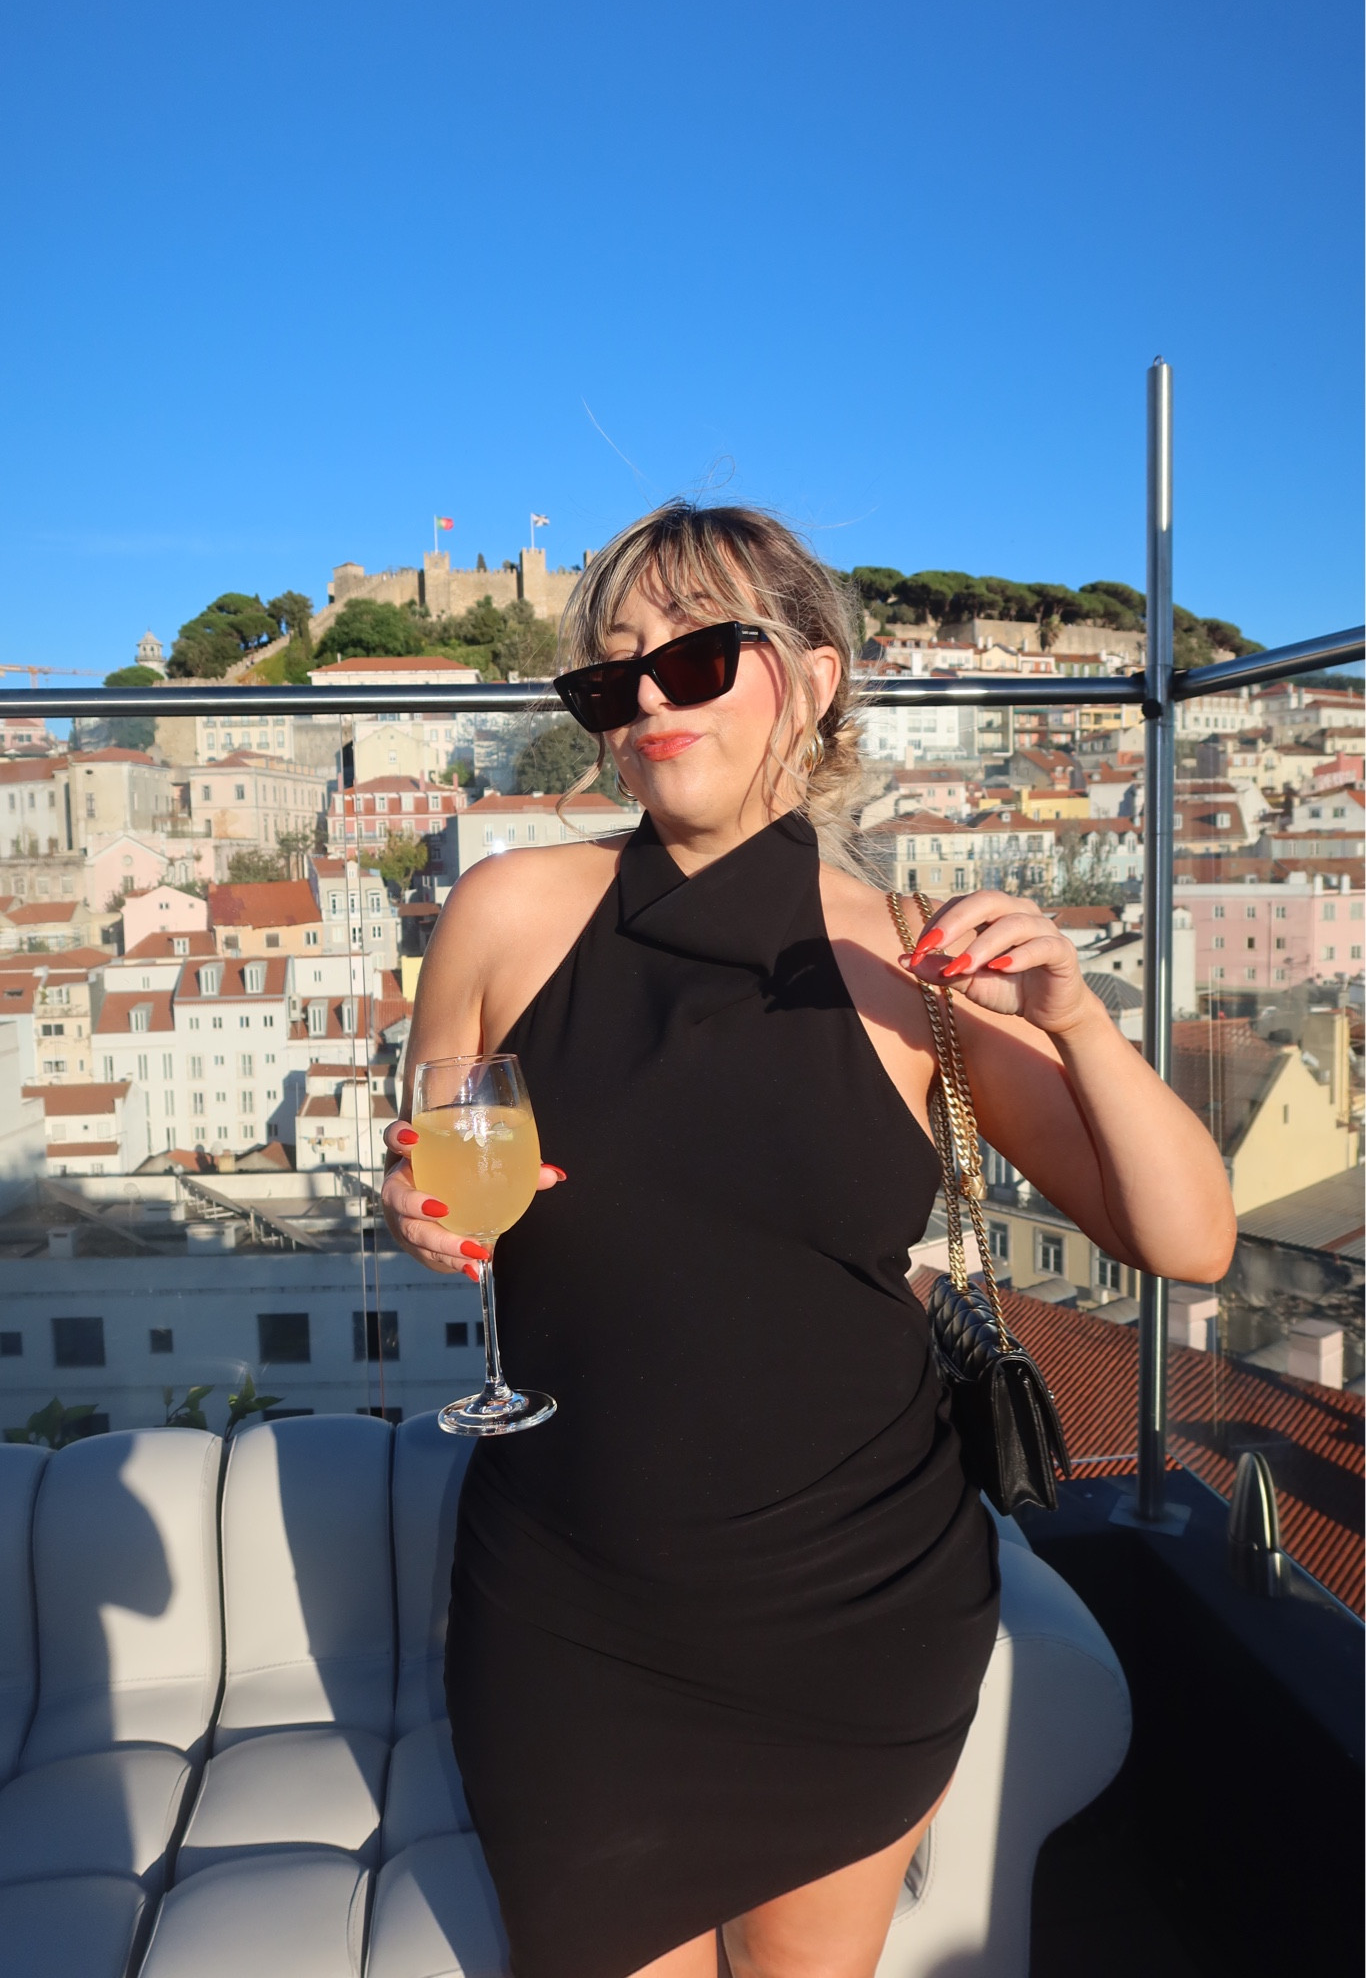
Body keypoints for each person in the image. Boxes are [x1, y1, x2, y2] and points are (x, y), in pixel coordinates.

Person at [381, 502, 1236, 1978]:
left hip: (854, 1606)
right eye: (610, 676)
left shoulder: (908, 958)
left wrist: (1076, 1019)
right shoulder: (505, 911)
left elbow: (1190, 1241)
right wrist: (410, 1211)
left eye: (697, 657)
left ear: (817, 676)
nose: (646, 700)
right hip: (568, 1603)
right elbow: (437, 1181)